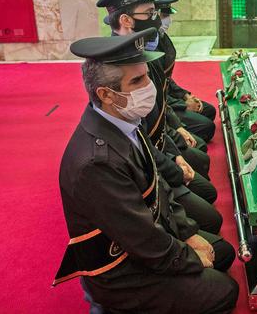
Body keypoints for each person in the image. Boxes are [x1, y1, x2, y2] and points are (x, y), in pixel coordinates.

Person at [52, 29, 238, 313]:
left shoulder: (123, 119)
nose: (149, 85)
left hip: (145, 238)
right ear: (105, 94)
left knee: (222, 254)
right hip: (122, 272)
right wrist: (187, 257)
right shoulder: (96, 163)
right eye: (137, 80)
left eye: (146, 76)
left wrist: (186, 233)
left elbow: (158, 184)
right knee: (226, 292)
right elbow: (142, 239)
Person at [96, 0, 221, 232]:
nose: (157, 19)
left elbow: (161, 100)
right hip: (148, 165)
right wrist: (172, 164)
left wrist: (174, 150)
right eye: (150, 13)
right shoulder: (113, 66)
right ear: (126, 20)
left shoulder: (145, 53)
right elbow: (137, 138)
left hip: (160, 145)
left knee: (203, 172)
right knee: (210, 214)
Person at [151, 0, 217, 143]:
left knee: (208, 111)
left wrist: (185, 95)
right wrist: (181, 105)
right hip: (159, 105)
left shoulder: (160, 37)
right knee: (207, 127)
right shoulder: (148, 44)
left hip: (168, 96)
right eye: (165, 15)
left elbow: (165, 79)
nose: (168, 21)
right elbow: (154, 92)